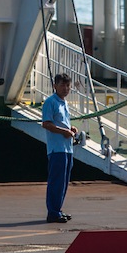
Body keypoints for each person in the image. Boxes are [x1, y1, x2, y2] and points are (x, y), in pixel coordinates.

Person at [41, 73, 78, 223]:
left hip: (67, 148)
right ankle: (53, 212)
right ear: (55, 86)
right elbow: (47, 124)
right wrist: (65, 132)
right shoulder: (51, 102)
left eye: (68, 85)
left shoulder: (64, 103)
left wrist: (71, 129)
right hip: (57, 149)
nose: (65, 88)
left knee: (63, 181)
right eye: (62, 85)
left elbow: (62, 123)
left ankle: (58, 209)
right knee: (56, 180)